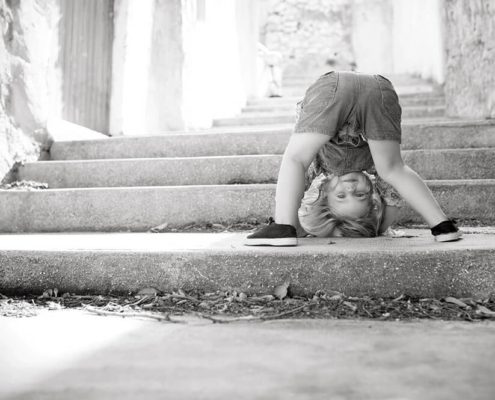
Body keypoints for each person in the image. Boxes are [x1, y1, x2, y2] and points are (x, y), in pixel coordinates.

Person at [244, 71, 462, 246]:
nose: (350, 188)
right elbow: (393, 202)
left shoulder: (318, 165)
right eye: (360, 194)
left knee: (297, 159)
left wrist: (295, 225)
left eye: (341, 196)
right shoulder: (376, 168)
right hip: (378, 91)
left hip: (335, 90)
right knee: (393, 168)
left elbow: (295, 183)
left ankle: (283, 226)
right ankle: (442, 225)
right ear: (373, 194)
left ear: (324, 191)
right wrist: (379, 227)